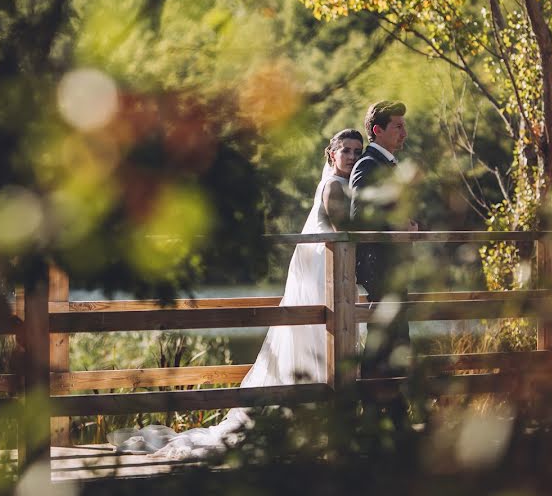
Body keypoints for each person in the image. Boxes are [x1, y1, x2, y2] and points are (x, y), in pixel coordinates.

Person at [108, 129, 365, 458]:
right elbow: (345, 227)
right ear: (332, 154)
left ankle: (317, 423)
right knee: (317, 340)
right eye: (347, 150)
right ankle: (317, 424)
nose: (353, 157)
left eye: (358, 151)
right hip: (321, 275)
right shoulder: (333, 185)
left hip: (328, 272)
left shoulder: (343, 184)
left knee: (319, 344)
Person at [349, 100, 417, 378]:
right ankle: (379, 409)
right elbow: (358, 216)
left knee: (395, 340)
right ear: (377, 130)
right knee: (386, 342)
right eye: (398, 127)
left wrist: (413, 225)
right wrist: (395, 227)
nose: (404, 133)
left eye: (404, 126)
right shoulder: (368, 164)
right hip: (379, 267)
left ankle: (391, 411)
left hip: (393, 266)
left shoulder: (388, 165)